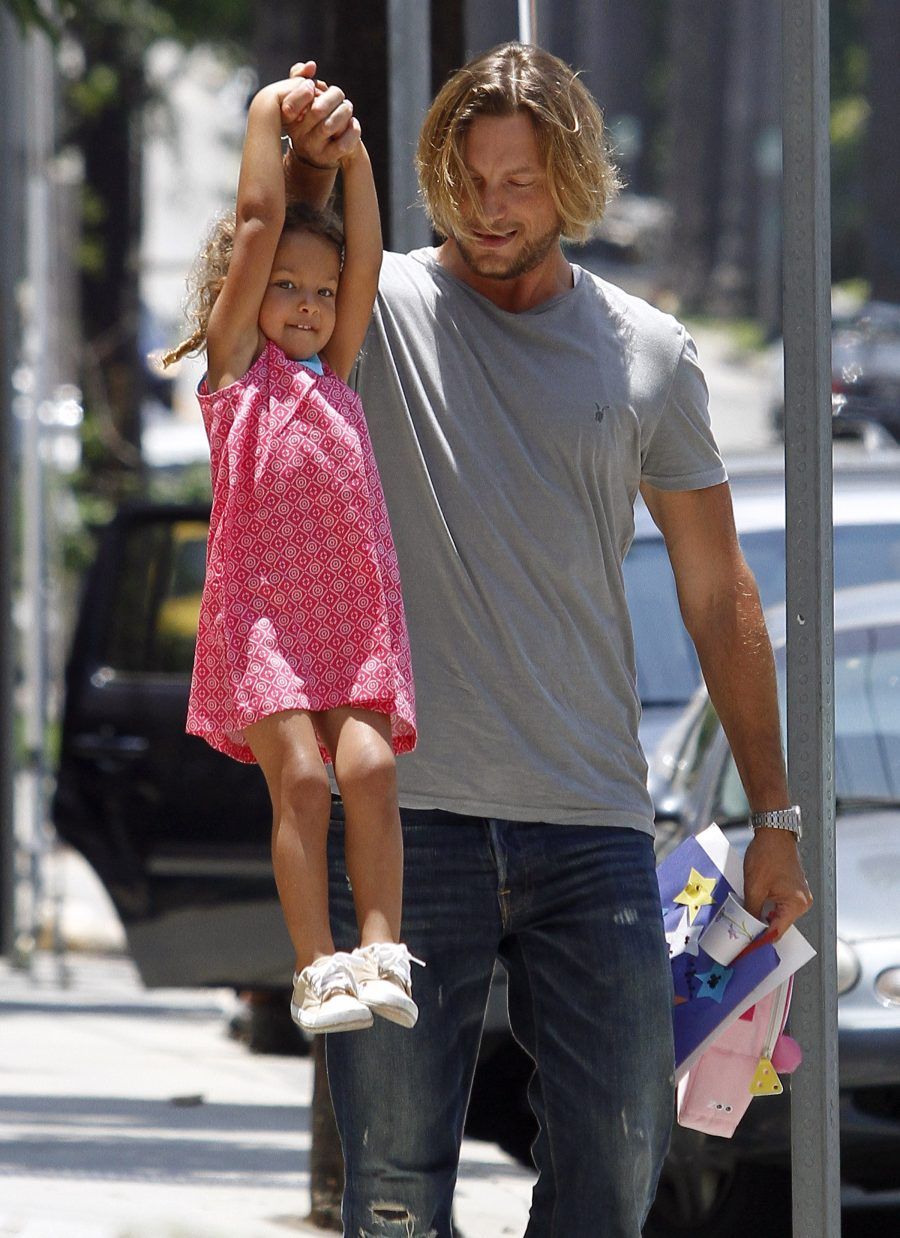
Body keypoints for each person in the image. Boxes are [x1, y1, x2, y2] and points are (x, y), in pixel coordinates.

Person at [283, 43, 812, 1237]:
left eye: (520, 179)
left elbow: (718, 585)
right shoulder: (385, 305)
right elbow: (273, 270)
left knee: (621, 1168)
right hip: (407, 820)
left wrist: (774, 812)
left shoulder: (647, 351)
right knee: (394, 1190)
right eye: (468, 178)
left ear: (570, 180)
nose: (491, 206)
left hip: (593, 824)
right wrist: (291, 137)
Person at [161, 76, 421, 1037]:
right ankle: (315, 967)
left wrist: (352, 158)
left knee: (370, 771)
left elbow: (370, 264)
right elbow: (263, 216)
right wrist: (270, 114)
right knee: (303, 784)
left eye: (321, 291)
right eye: (287, 288)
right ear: (246, 290)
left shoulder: (337, 370)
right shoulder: (236, 376)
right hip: (263, 616)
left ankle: (381, 950)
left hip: (349, 614)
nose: (312, 305)